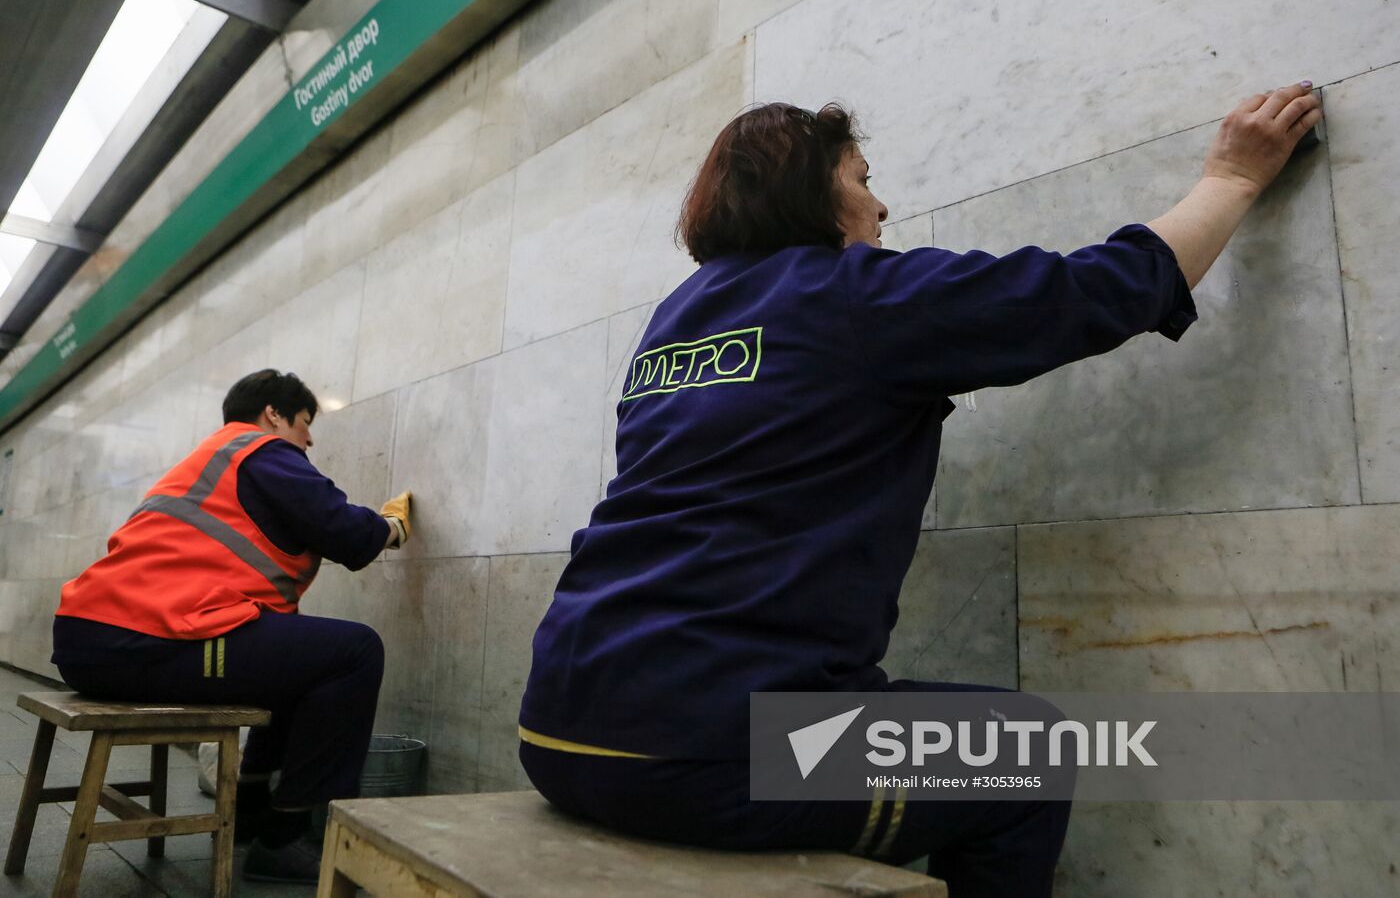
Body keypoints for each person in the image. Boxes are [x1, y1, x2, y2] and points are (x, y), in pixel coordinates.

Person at [518, 83, 1323, 896]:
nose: (881, 205)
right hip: (710, 752)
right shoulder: (855, 293)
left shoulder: (673, 322)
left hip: (559, 728)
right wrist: (1231, 179)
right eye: (862, 178)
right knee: (1027, 751)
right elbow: (1089, 292)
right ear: (814, 192)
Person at [51, 369, 413, 885]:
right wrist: (392, 528)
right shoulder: (261, 451)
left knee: (302, 659)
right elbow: (345, 531)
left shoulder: (211, 463)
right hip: (147, 638)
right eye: (305, 423)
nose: (309, 439)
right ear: (273, 414)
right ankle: (289, 838)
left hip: (96, 636)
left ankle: (251, 810)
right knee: (356, 651)